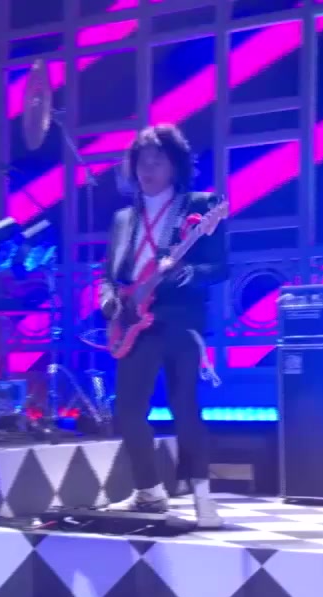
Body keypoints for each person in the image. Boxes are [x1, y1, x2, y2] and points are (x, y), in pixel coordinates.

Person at [99, 124, 228, 528]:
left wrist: (186, 273)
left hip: (179, 320)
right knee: (128, 410)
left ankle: (203, 497)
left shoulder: (201, 206)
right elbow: (109, 275)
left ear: (175, 165)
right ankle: (149, 490)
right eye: (142, 161)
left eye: (157, 161)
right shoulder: (124, 219)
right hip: (133, 321)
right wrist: (108, 299)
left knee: (184, 406)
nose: (148, 169)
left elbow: (220, 268)